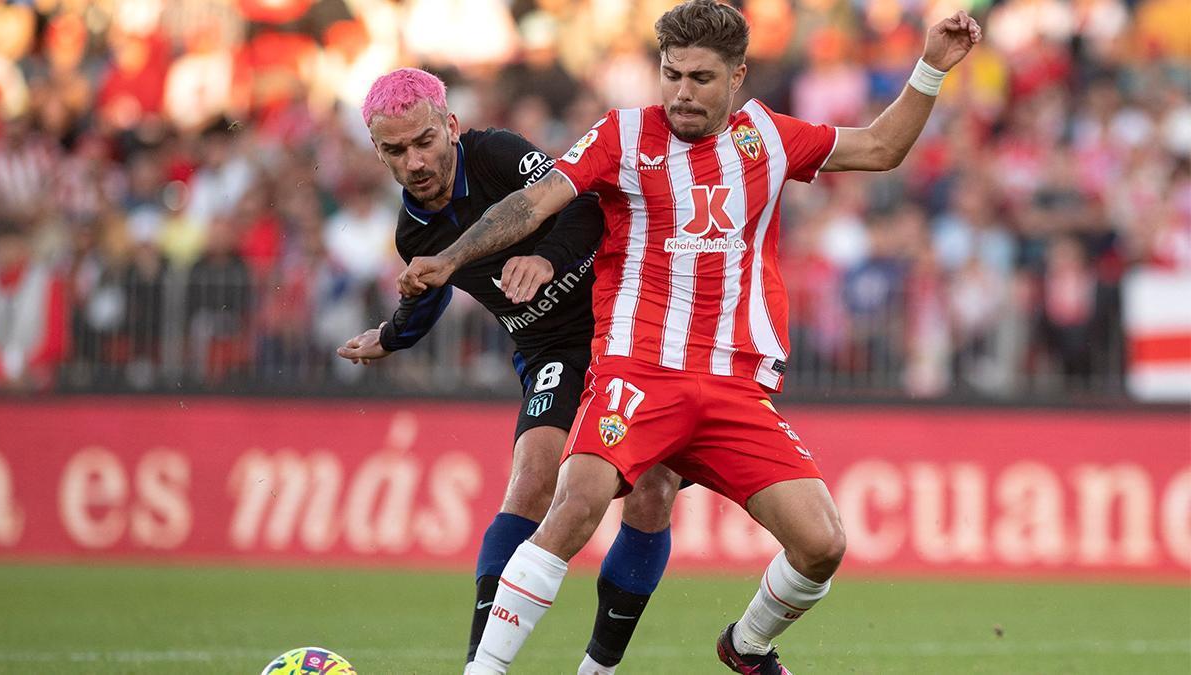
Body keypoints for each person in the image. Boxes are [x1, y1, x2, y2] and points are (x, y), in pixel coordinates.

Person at [398, 2, 982, 672]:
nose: (680, 91)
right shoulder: (622, 136)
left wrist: (931, 67)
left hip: (735, 387)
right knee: (576, 500)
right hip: (637, 371)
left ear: (737, 77)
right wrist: (451, 257)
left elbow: (881, 147)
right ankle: (486, 669)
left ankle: (747, 644)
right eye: (671, 74)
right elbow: (534, 201)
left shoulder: (767, 136)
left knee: (822, 544)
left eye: (700, 78)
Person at [334, 68, 683, 675]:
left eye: (424, 141)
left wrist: (546, 259)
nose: (415, 162)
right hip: (550, 348)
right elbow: (430, 289)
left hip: (624, 325)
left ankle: (598, 667)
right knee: (530, 481)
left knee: (652, 490)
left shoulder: (495, 154)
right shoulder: (411, 229)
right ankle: (482, 665)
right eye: (396, 150)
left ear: (451, 126)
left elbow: (584, 208)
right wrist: (391, 338)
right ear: (378, 151)